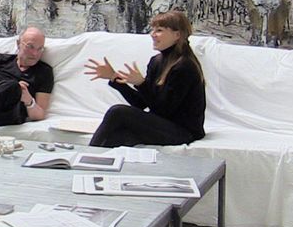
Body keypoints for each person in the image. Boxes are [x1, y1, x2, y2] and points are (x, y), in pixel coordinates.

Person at [83, 10, 205, 147]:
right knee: (117, 137)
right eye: (153, 30)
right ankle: (90, 163)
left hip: (184, 132)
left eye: (159, 30)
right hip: (164, 124)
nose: (152, 34)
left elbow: (164, 110)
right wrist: (114, 78)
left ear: (177, 35)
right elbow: (140, 104)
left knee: (117, 112)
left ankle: (86, 157)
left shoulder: (184, 66)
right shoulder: (156, 61)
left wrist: (141, 84)